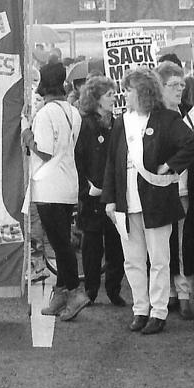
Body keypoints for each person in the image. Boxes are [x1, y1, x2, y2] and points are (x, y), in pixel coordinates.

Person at [101, 67, 194, 335]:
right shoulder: (121, 121)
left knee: (159, 259)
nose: (125, 96)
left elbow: (192, 145)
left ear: (143, 92)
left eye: (129, 90)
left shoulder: (167, 119)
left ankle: (158, 312)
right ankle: (140, 309)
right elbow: (112, 162)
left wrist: (169, 165)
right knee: (132, 260)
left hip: (156, 199)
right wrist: (110, 199)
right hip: (127, 201)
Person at [23, 62, 85, 320]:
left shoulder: (46, 113)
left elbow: (44, 151)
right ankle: (62, 290)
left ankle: (73, 291)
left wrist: (27, 136)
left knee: (60, 244)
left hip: (48, 185)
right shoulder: (73, 111)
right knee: (61, 242)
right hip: (68, 182)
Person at [156, 61, 194, 321]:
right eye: (173, 85)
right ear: (160, 87)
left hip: (186, 189)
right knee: (161, 244)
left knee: (184, 242)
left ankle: (183, 294)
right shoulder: (152, 115)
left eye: (182, 84)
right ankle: (169, 292)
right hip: (158, 189)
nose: (180, 89)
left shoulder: (193, 115)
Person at [73, 75, 125, 307]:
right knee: (92, 246)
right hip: (93, 196)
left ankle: (114, 289)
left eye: (114, 94)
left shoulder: (118, 123)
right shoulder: (85, 124)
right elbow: (78, 159)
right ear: (96, 99)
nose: (114, 98)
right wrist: (86, 188)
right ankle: (91, 291)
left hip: (114, 194)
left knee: (116, 245)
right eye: (109, 95)